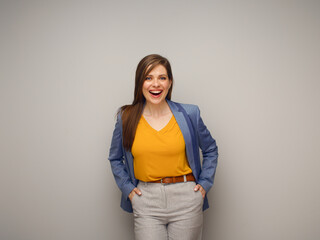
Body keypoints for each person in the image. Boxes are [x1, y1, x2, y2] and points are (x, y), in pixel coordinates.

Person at [108, 54, 218, 240]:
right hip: (146, 200)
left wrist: (205, 183)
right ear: (139, 82)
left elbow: (210, 149)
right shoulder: (126, 117)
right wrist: (129, 190)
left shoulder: (189, 114)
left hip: (186, 198)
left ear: (170, 82)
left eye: (162, 78)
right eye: (148, 78)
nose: (156, 84)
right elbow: (115, 158)